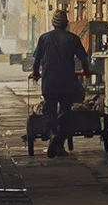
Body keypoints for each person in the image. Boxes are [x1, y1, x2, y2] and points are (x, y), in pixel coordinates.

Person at [30, 9, 92, 157]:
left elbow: (37, 60)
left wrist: (36, 74)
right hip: (67, 81)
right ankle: (59, 143)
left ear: (53, 23)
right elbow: (84, 59)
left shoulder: (44, 38)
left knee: (49, 110)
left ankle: (52, 135)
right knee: (65, 112)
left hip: (49, 81)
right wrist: (86, 71)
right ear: (66, 23)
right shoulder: (73, 38)